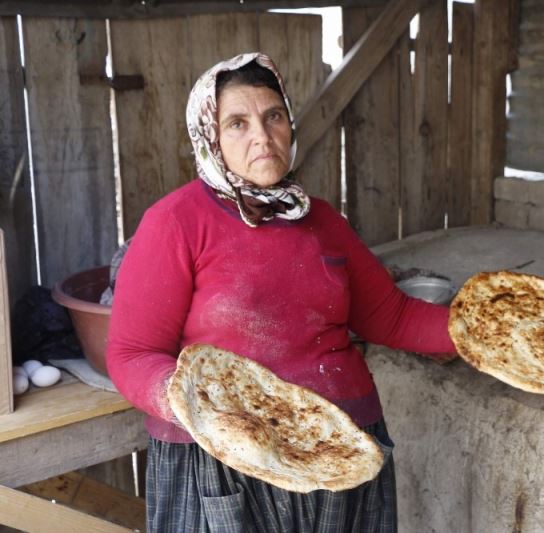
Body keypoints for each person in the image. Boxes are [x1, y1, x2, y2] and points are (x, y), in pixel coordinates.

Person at [106, 52, 456, 532]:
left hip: (340, 448)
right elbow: (133, 353)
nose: (262, 136)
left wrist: (477, 335)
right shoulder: (176, 222)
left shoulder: (323, 222)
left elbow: (390, 316)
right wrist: (202, 407)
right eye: (237, 123)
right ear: (211, 137)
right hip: (227, 464)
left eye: (273, 116)